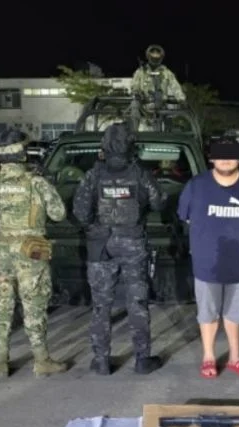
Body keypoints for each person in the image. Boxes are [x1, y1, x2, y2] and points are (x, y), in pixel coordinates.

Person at [0, 129, 69, 377]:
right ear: (23, 154)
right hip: (31, 253)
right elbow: (58, 214)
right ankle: (41, 360)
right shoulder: (37, 183)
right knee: (34, 305)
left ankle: (0, 361)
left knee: (2, 305)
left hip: (0, 253)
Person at [73, 123, 166, 375]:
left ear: (104, 146)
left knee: (101, 306)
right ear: (130, 146)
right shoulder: (141, 174)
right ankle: (142, 360)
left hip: (100, 246)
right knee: (137, 303)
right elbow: (159, 202)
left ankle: (101, 361)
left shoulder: (93, 175)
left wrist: (95, 226)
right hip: (133, 243)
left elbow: (80, 212)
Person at [177, 138, 239, 378]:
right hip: (207, 264)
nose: (226, 159)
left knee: (235, 314)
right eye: (220, 154)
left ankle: (235, 358)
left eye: (231, 154)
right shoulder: (196, 186)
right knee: (207, 313)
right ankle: (208, 357)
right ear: (212, 158)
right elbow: (185, 216)